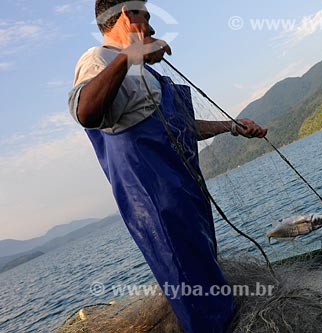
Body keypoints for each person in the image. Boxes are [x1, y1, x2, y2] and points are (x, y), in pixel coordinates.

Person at [68, 1, 267, 332]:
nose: (152, 27)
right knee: (199, 300)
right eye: (144, 16)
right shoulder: (97, 60)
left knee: (208, 282)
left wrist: (232, 126)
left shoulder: (145, 72)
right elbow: (86, 112)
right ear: (124, 16)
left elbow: (180, 126)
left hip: (186, 197)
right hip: (157, 204)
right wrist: (130, 54)